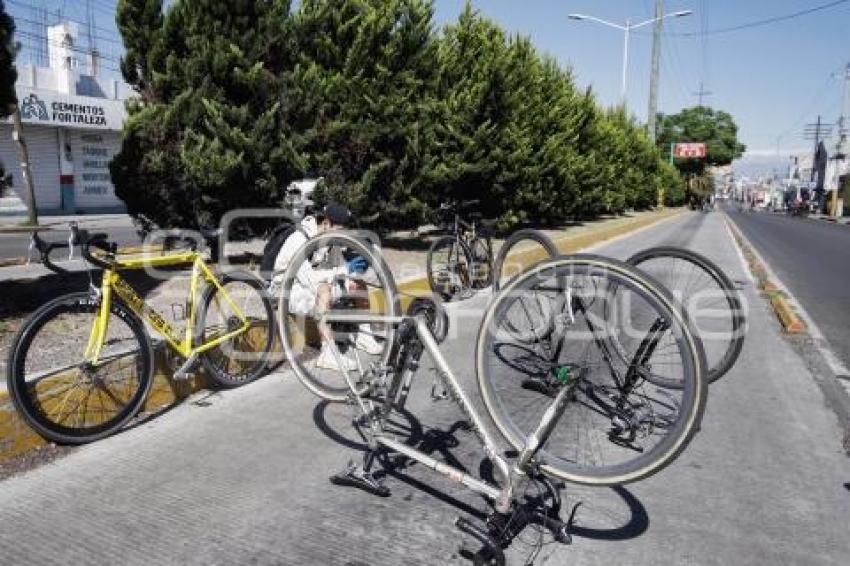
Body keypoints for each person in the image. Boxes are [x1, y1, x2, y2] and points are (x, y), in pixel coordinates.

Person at [269, 201, 383, 371]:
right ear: (325, 223)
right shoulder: (299, 239)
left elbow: (337, 269)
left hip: (310, 286)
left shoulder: (330, 239)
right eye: (340, 231)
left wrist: (356, 269)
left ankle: (362, 336)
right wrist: (344, 270)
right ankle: (328, 354)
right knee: (324, 290)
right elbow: (310, 281)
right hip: (287, 291)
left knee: (358, 285)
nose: (343, 237)